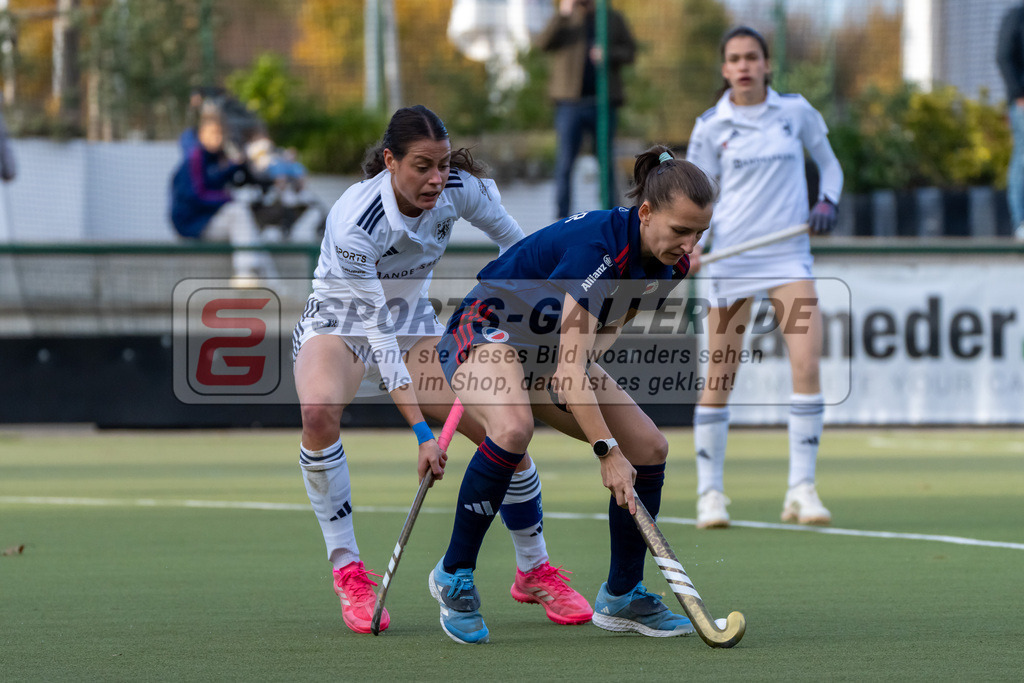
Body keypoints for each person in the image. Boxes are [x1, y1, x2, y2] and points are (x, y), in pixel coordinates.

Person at [290, 105, 591, 635]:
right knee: (318, 412)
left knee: (504, 430)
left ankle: (534, 569)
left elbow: (520, 249)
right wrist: (422, 435)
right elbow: (378, 336)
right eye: (422, 166)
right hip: (343, 323)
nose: (436, 179)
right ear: (390, 161)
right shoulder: (357, 222)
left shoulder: (460, 189)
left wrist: (528, 310)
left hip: (414, 326)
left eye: (444, 164)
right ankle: (349, 571)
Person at [427, 146, 715, 644]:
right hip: (486, 330)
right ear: (646, 212)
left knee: (649, 448)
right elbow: (570, 368)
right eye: (680, 230)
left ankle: (622, 595)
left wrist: (578, 381)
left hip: (547, 353)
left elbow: (604, 332)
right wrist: (606, 450)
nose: (689, 245)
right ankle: (454, 575)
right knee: (513, 430)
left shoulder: (671, 265)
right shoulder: (596, 253)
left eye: (699, 234)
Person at [685, 26, 844, 529]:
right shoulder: (710, 126)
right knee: (720, 375)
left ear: (767, 64)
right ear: (725, 68)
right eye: (735, 59)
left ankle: (802, 489)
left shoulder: (795, 112)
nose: (744, 66)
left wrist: (827, 201)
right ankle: (710, 494)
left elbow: (831, 167)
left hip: (788, 257)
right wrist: (693, 246)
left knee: (807, 365)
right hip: (730, 260)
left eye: (752, 57)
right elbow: (694, 198)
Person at [536, 0, 636, 219]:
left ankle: (611, 216)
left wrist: (608, 54)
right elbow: (543, 43)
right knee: (565, 162)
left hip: (603, 102)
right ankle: (561, 218)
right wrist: (563, 14)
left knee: (605, 162)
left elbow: (630, 52)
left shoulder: (611, 18)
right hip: (569, 103)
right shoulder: (566, 18)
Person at [169, 107, 277, 281]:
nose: (217, 138)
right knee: (238, 212)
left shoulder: (218, 157)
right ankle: (245, 273)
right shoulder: (195, 157)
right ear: (202, 133)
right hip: (192, 224)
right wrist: (227, 197)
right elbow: (197, 195)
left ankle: (275, 286)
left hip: (207, 219)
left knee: (252, 233)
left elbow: (222, 177)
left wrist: (238, 165)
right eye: (213, 133)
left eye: (220, 133)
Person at [996, 3, 1024, 240]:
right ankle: (1020, 222)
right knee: (1023, 157)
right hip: (1022, 102)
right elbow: (1004, 57)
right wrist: (1018, 95)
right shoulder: (1016, 17)